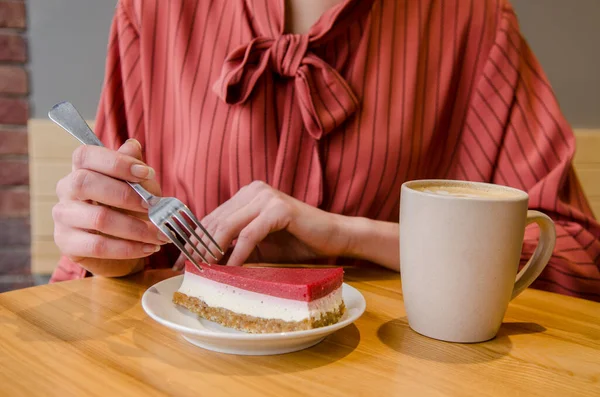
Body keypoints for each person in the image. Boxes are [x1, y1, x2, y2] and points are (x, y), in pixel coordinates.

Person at [50, 0, 600, 301]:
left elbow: (576, 257)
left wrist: (346, 234)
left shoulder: (472, 22)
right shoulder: (155, 13)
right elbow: (101, 254)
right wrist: (104, 252)